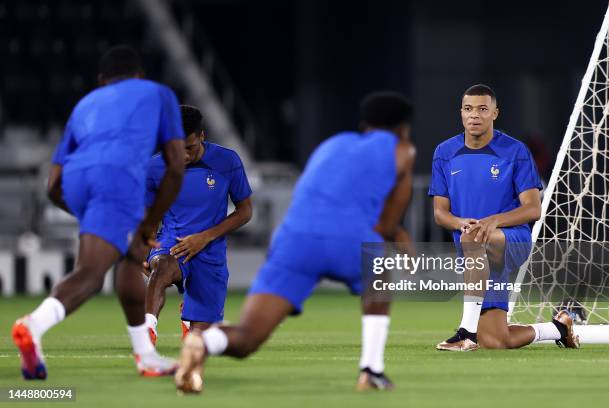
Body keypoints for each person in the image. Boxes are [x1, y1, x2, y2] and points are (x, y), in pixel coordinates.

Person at [174, 91, 417, 393]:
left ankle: (203, 341)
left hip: (292, 239)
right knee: (379, 274)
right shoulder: (402, 150)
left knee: (248, 337)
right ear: (403, 128)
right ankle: (371, 370)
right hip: (345, 237)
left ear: (365, 123)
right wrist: (401, 243)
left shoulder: (332, 145)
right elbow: (386, 225)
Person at [11, 45, 186, 379]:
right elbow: (176, 166)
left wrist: (97, 219)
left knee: (131, 257)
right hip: (117, 174)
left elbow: (52, 185)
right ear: (139, 76)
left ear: (102, 80)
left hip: (77, 177)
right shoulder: (157, 93)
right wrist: (150, 223)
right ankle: (32, 325)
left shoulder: (85, 104)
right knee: (92, 274)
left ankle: (145, 355)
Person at [429, 84, 579, 351]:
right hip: (476, 256)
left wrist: (494, 220)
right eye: (468, 109)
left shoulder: (515, 151)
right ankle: (558, 328)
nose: (474, 115)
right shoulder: (444, 152)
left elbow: (533, 209)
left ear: (495, 113)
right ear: (461, 113)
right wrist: (461, 222)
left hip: (511, 240)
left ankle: (465, 333)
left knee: (475, 236)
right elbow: (440, 213)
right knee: (497, 341)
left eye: (482, 109)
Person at [143, 105, 252, 345]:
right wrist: (145, 249)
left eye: (190, 148)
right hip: (173, 241)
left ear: (202, 136)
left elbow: (245, 211)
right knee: (161, 267)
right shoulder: (154, 168)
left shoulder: (227, 161)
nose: (183, 156)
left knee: (198, 342)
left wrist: (205, 237)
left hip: (210, 250)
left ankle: (190, 310)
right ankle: (146, 334)